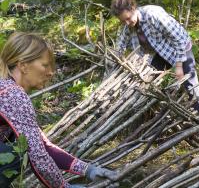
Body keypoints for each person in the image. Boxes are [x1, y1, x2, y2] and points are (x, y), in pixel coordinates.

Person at [0, 32, 117, 188]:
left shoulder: (6, 89)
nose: (51, 72)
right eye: (45, 65)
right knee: (18, 153)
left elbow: (43, 145)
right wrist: (64, 187)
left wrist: (88, 170)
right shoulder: (13, 94)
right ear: (23, 66)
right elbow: (38, 156)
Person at [111, 0, 199, 115]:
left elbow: (180, 39)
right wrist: (115, 61)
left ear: (133, 8)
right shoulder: (128, 25)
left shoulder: (153, 14)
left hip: (179, 49)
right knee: (146, 81)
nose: (126, 23)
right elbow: (119, 46)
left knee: (191, 86)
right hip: (159, 53)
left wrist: (179, 67)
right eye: (123, 21)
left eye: (128, 18)